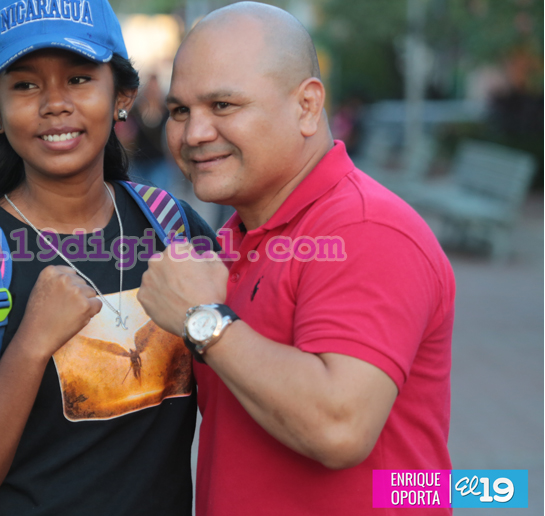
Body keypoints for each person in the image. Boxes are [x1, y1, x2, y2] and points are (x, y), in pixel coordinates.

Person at [137, 3, 455, 515]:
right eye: (180, 111)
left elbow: (339, 426)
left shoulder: (366, 228)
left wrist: (204, 321)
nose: (193, 133)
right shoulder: (244, 236)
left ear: (307, 106)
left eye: (222, 105)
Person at [0, 1, 217, 515]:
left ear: (121, 95)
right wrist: (30, 345)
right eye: (25, 85)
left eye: (78, 79)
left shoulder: (174, 231)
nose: (55, 104)